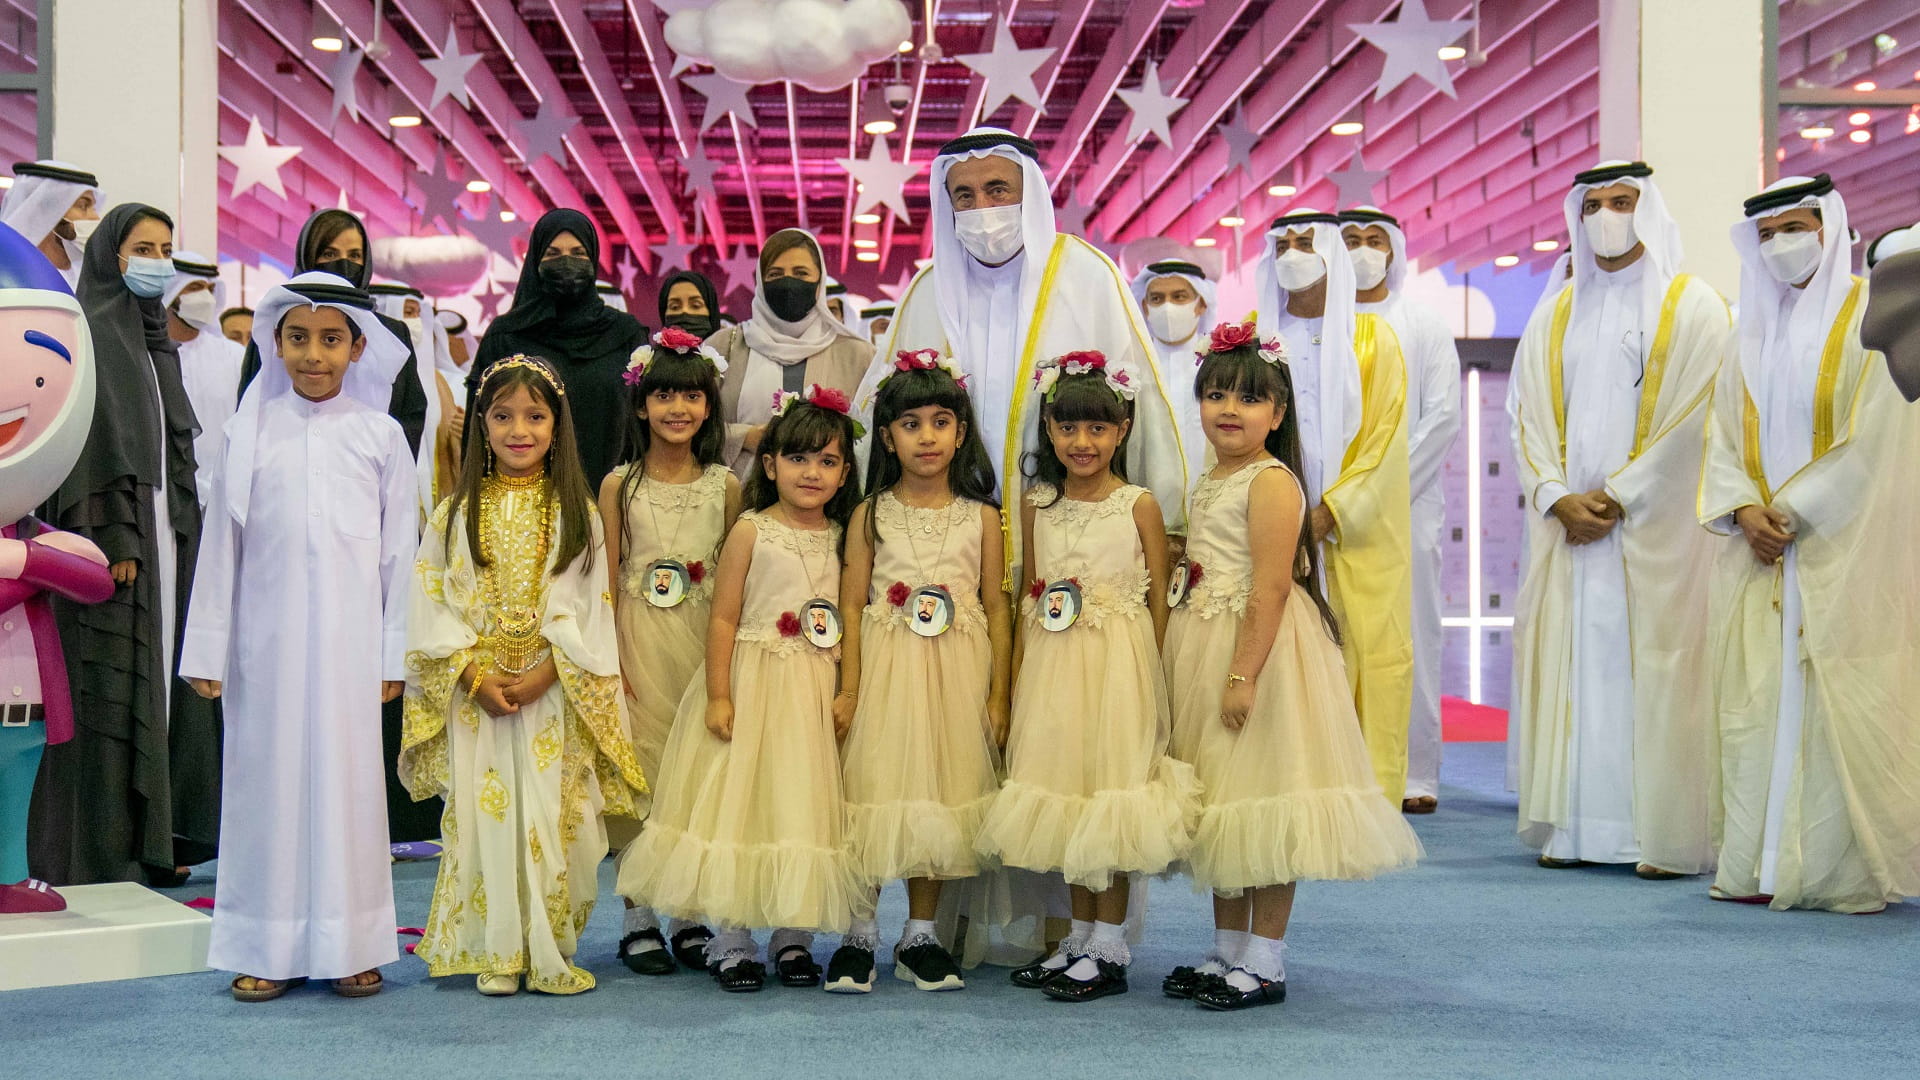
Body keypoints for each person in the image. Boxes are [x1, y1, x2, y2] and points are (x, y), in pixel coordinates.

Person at [1162, 319, 1421, 1012]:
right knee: (1223, 805)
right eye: (1215, 395)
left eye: (1247, 399)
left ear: (1277, 414)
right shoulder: (1213, 476)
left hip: (1263, 652)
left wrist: (1243, 674)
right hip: (1205, 639)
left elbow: (1272, 586)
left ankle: (1266, 958)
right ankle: (1226, 949)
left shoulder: (1272, 482)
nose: (1228, 410)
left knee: (1266, 800)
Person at [179, 273, 418, 1002]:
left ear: (356, 348)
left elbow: (399, 556)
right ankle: (264, 944)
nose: (314, 355)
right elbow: (221, 547)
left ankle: (352, 944)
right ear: (276, 344)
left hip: (349, 648)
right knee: (266, 790)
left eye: (330, 339)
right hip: (265, 646)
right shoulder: (246, 431)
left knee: (348, 791)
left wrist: (392, 651)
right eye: (298, 338)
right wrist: (207, 648)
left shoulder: (380, 436)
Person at [1699, 174, 1920, 913]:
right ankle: (1758, 863)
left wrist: (1792, 510)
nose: (1782, 246)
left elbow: (1880, 439)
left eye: (1796, 228)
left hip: (1842, 551)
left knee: (1833, 705)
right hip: (1762, 552)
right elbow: (1722, 435)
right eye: (1766, 234)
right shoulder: (1748, 332)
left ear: (1830, 230)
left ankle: (1830, 870)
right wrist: (1740, 510)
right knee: (1758, 704)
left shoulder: (1871, 315)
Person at [1508, 163, 1730, 878]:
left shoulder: (1694, 306)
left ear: (1649, 210)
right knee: (1576, 671)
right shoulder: (1556, 312)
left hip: (1652, 532)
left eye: (1623, 202)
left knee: (1656, 673)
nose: (1607, 214)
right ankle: (1575, 827)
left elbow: (1699, 416)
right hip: (1570, 534)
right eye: (1595, 204)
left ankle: (1656, 836)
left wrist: (1621, 495)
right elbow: (1524, 419)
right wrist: (1552, 496)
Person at [403, 354, 647, 995]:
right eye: (503, 415)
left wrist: (546, 672)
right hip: (475, 694)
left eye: (535, 416)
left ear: (556, 425)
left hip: (550, 693)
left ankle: (547, 948)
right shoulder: (453, 514)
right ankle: (497, 951)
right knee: (486, 815)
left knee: (552, 816)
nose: (520, 429)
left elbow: (592, 607)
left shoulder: (578, 511)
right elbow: (431, 602)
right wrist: (470, 674)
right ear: (480, 424)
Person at [860, 128, 1189, 585]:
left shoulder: (1088, 276)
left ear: (1028, 192)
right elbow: (881, 418)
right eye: (965, 195)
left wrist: (1168, 522)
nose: (982, 210)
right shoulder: (928, 291)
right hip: (946, 548)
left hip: (1074, 533)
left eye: (997, 190)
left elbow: (1142, 408)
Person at [617, 389, 864, 994]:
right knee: (740, 805)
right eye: (798, 459)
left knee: (797, 803)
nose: (813, 473)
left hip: (809, 688)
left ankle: (793, 935)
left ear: (845, 472)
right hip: (753, 683)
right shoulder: (752, 530)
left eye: (828, 461)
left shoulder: (843, 534)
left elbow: (850, 614)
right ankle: (731, 938)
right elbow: (723, 617)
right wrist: (720, 694)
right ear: (770, 463)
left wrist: (847, 689)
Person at [975, 352, 1197, 1004]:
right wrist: (1013, 682)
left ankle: (1110, 944)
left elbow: (1158, 601)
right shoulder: (1038, 502)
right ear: (1048, 427)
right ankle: (1077, 934)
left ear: (1122, 430)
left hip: (1117, 669)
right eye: (1069, 428)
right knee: (1067, 796)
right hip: (1051, 667)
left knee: (1111, 794)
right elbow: (1024, 593)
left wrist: (1152, 682)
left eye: (1098, 429)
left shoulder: (1139, 505)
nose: (1082, 442)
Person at [28, 204, 216, 887]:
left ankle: (147, 843)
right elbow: (90, 444)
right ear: (112, 254)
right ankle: (100, 850)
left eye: (166, 246)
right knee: (107, 685)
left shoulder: (148, 338)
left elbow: (167, 443)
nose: (157, 259)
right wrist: (109, 535)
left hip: (163, 536)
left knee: (155, 687)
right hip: (116, 546)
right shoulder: (93, 332)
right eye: (143, 246)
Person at [829, 350, 1011, 994]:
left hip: (956, 672)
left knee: (938, 795)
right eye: (910, 424)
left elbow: (995, 605)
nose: (926, 437)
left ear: (960, 432)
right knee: (875, 792)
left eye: (940, 422)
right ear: (886, 437)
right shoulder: (868, 512)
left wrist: (998, 695)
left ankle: (921, 932)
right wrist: (848, 687)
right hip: (887, 670)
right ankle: (858, 931)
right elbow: (852, 603)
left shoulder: (983, 517)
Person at [1255, 207, 1414, 805]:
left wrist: (1331, 512)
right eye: (1284, 244)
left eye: (1307, 243)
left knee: (1364, 647)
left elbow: (1385, 441)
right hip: (1272, 527)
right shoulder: (1255, 339)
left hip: (1351, 535)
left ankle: (1361, 796)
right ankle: (1284, 784)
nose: (1294, 254)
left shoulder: (1374, 341)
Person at [602, 328, 742, 976]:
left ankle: (687, 912)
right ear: (640, 404)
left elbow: (734, 584)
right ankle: (637, 916)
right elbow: (605, 576)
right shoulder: (617, 486)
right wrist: (608, 660)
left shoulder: (725, 487)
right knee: (640, 778)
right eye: (663, 396)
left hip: (698, 645)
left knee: (693, 778)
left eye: (690, 396)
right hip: (636, 642)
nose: (677, 409)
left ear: (709, 407)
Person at [0, 221, 118, 914]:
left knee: (18, 782)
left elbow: (95, 578)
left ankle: (10, 874)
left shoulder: (26, 531)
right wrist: (39, 565)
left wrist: (25, 555)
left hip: (26, 702)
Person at [1338, 207, 1463, 814]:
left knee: (1410, 635)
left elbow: (1442, 418)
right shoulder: (1320, 323)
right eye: (1350, 241)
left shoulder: (1424, 324)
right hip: (1324, 513)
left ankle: (1415, 772)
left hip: (1405, 509)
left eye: (1372, 240)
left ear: (1394, 251)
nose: (1362, 250)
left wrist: (1376, 495)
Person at [470, 209, 646, 485]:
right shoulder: (505, 336)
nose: (566, 262)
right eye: (553, 254)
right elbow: (477, 428)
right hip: (518, 503)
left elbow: (642, 424)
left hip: (608, 498)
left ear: (593, 259)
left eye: (578, 253)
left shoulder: (625, 334)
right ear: (535, 261)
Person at [236, 210, 427, 459]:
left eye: (354, 255)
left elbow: (409, 413)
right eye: (329, 254)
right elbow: (250, 405)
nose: (343, 264)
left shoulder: (391, 333)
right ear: (308, 257)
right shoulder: (277, 328)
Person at [708, 228, 873, 480]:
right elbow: (690, 425)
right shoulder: (723, 348)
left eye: (800, 273)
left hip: (831, 510)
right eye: (775, 274)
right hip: (737, 504)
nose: (788, 284)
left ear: (819, 282)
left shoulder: (857, 354)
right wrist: (744, 436)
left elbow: (874, 436)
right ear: (761, 283)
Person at [369, 282, 460, 514]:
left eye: (418, 314)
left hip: (432, 495)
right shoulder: (371, 378)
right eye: (408, 313)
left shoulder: (437, 381)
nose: (417, 322)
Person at [163, 253, 244, 510]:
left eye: (211, 289)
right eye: (196, 288)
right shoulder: (147, 355)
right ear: (171, 294)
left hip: (221, 497)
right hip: (163, 497)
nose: (206, 298)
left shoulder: (235, 357)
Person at [1131, 259, 1217, 490]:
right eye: (1157, 299)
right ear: (1145, 307)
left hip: (1211, 497)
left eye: (1179, 297)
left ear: (1201, 304)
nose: (1167, 307)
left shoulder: (1220, 364)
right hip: (1147, 498)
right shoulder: (1129, 366)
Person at [0, 161, 101, 288]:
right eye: (83, 206)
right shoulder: (10, 275)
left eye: (93, 207)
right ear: (46, 210)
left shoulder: (89, 277)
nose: (95, 217)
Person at [659, 270, 721, 339]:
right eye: (675, 307)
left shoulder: (727, 349)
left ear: (711, 311)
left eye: (696, 305)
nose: (684, 311)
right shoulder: (648, 350)